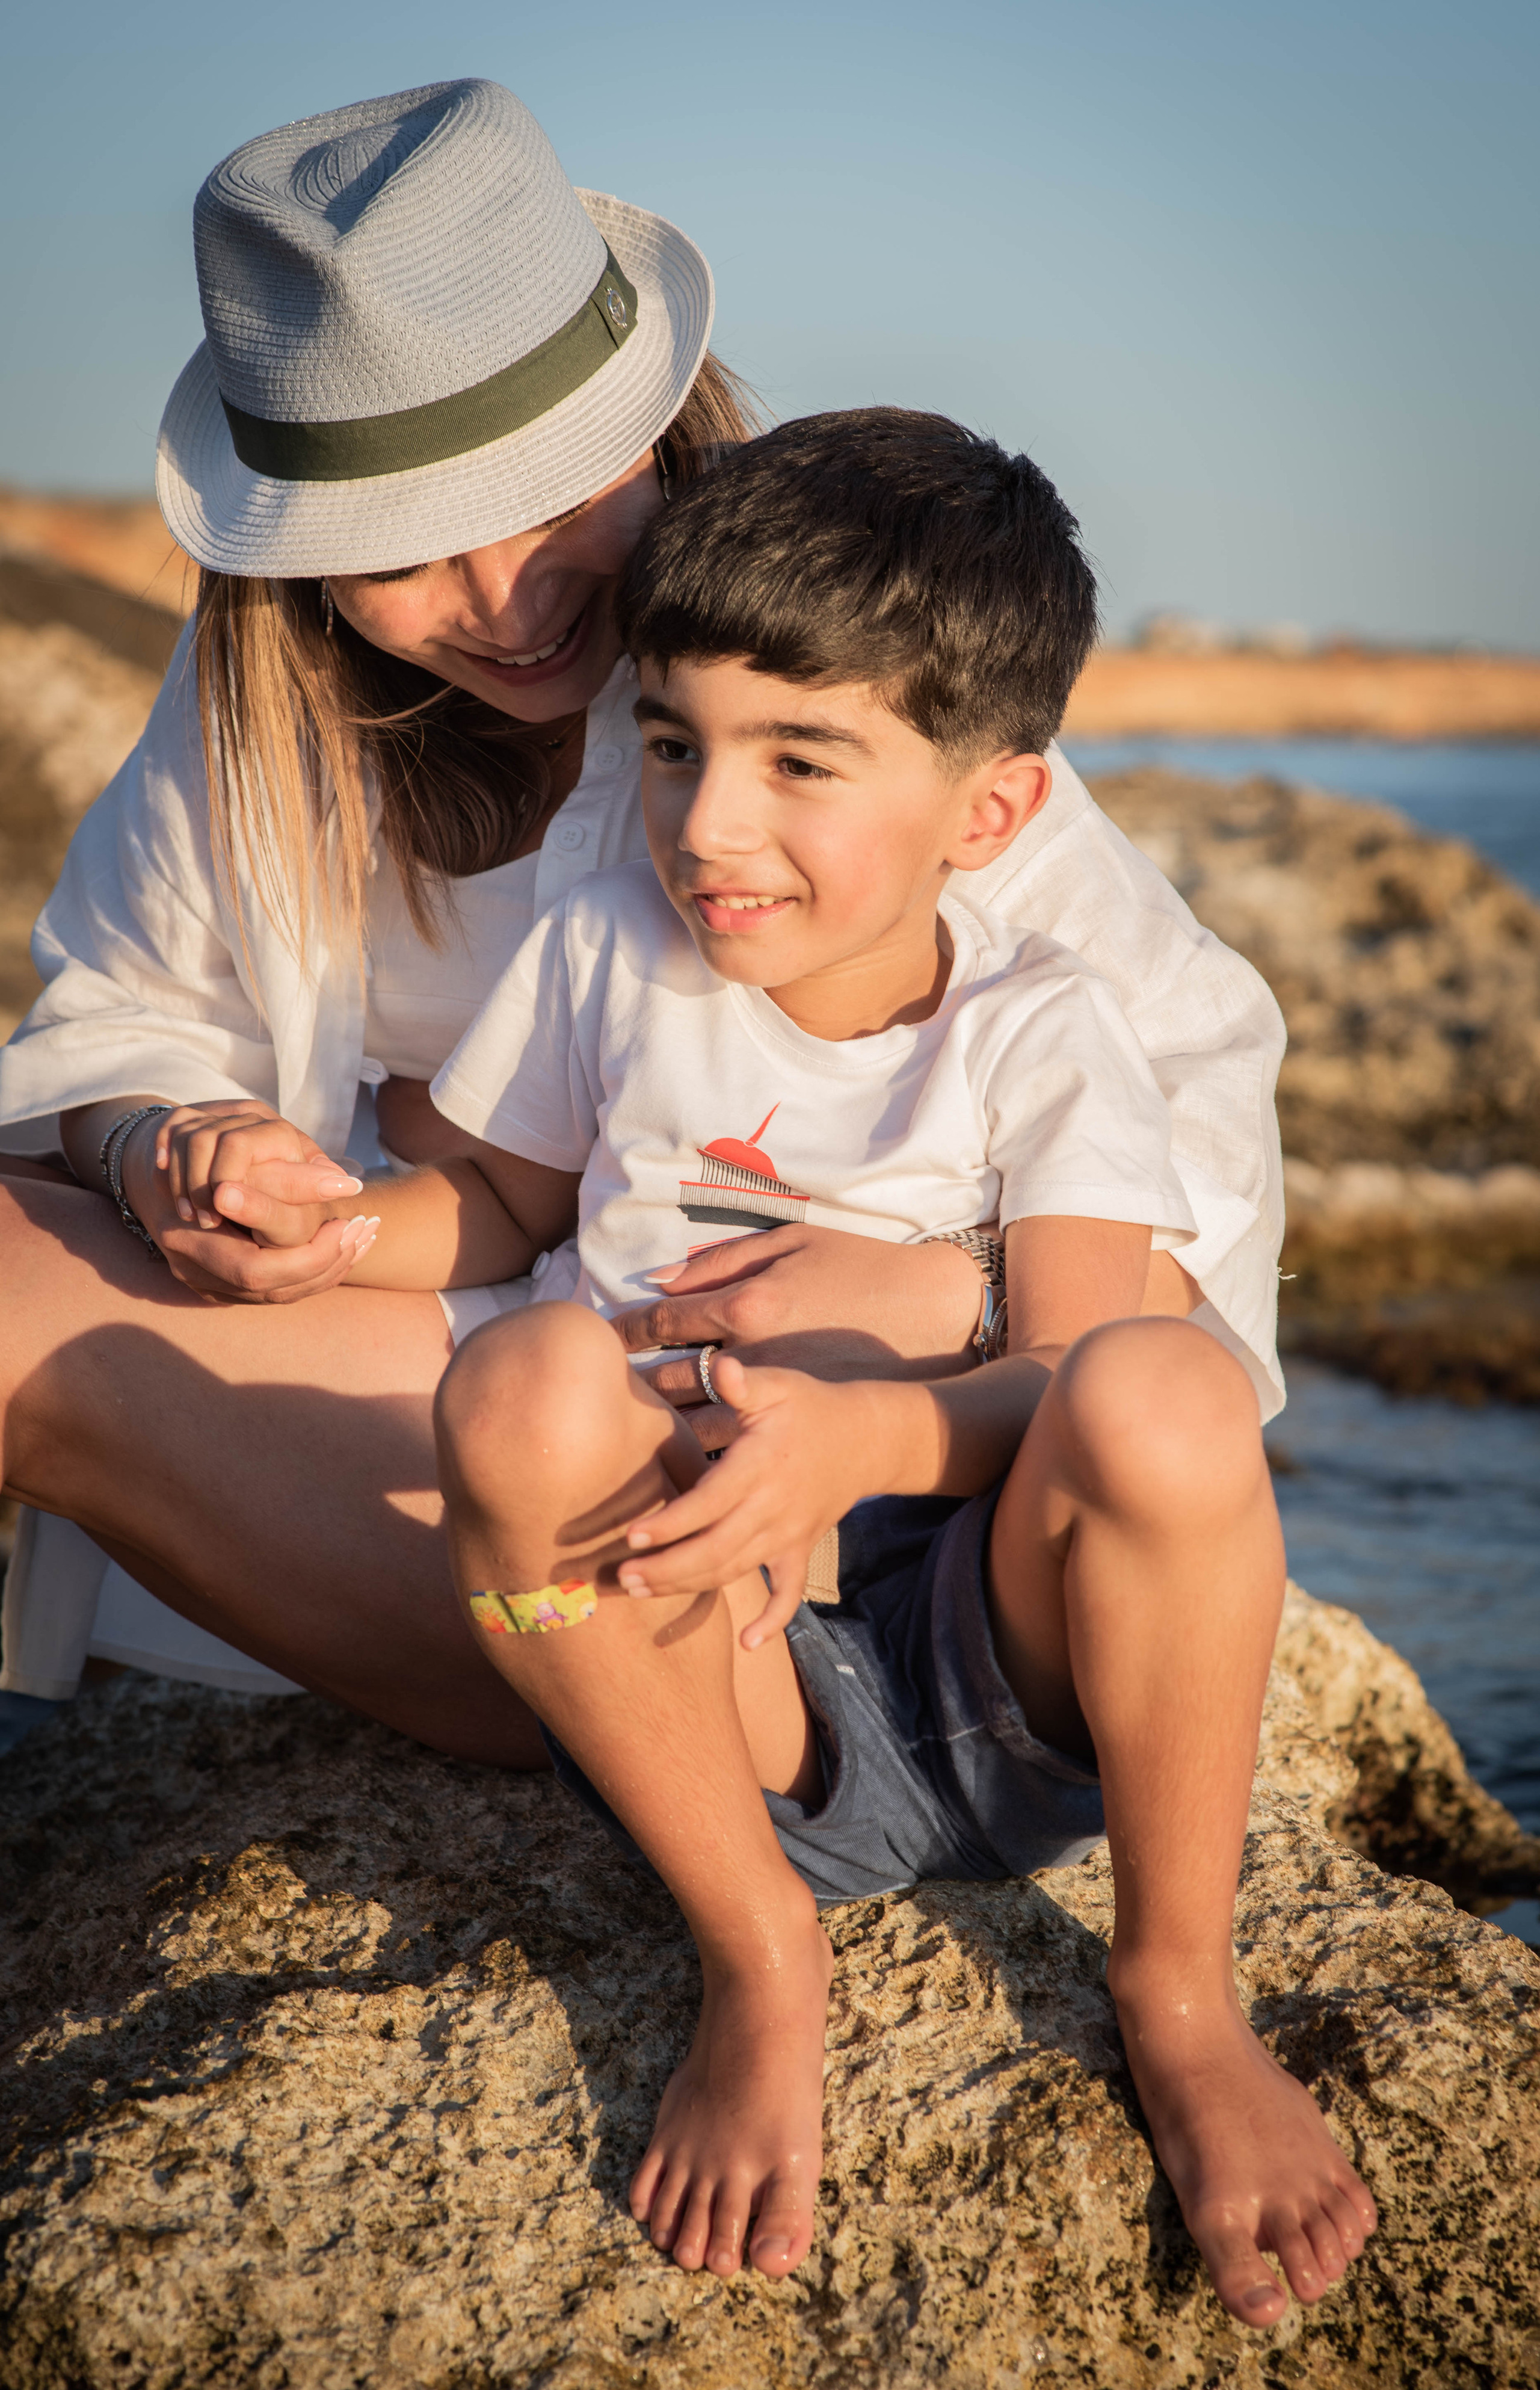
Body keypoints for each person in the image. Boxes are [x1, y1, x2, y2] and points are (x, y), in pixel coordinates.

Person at [0, 79, 1283, 1759]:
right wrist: (166, 1146)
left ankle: (726, 1718)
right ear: (297, 563)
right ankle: (605, 1692)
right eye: (403, 552)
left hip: (810, 1437)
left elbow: (1180, 1168)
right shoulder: (254, 706)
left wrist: (955, 1285)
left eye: (546, 501)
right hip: (461, 1365)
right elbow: (111, 1020)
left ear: (650, 419)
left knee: (560, 1414)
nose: (505, 599)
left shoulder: (804, 654)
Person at [316, 412, 1376, 2325]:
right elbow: (490, 1204)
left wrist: (862, 1437)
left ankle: (1180, 1993)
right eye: (670, 745)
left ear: (989, 812)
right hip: (722, 1664)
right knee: (522, 1388)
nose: (707, 823)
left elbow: (1070, 1363)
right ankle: (759, 1951)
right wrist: (329, 1227)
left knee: (1170, 1389)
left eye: (799, 761)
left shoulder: (1047, 1031)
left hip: (1004, 1656)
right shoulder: (608, 950)